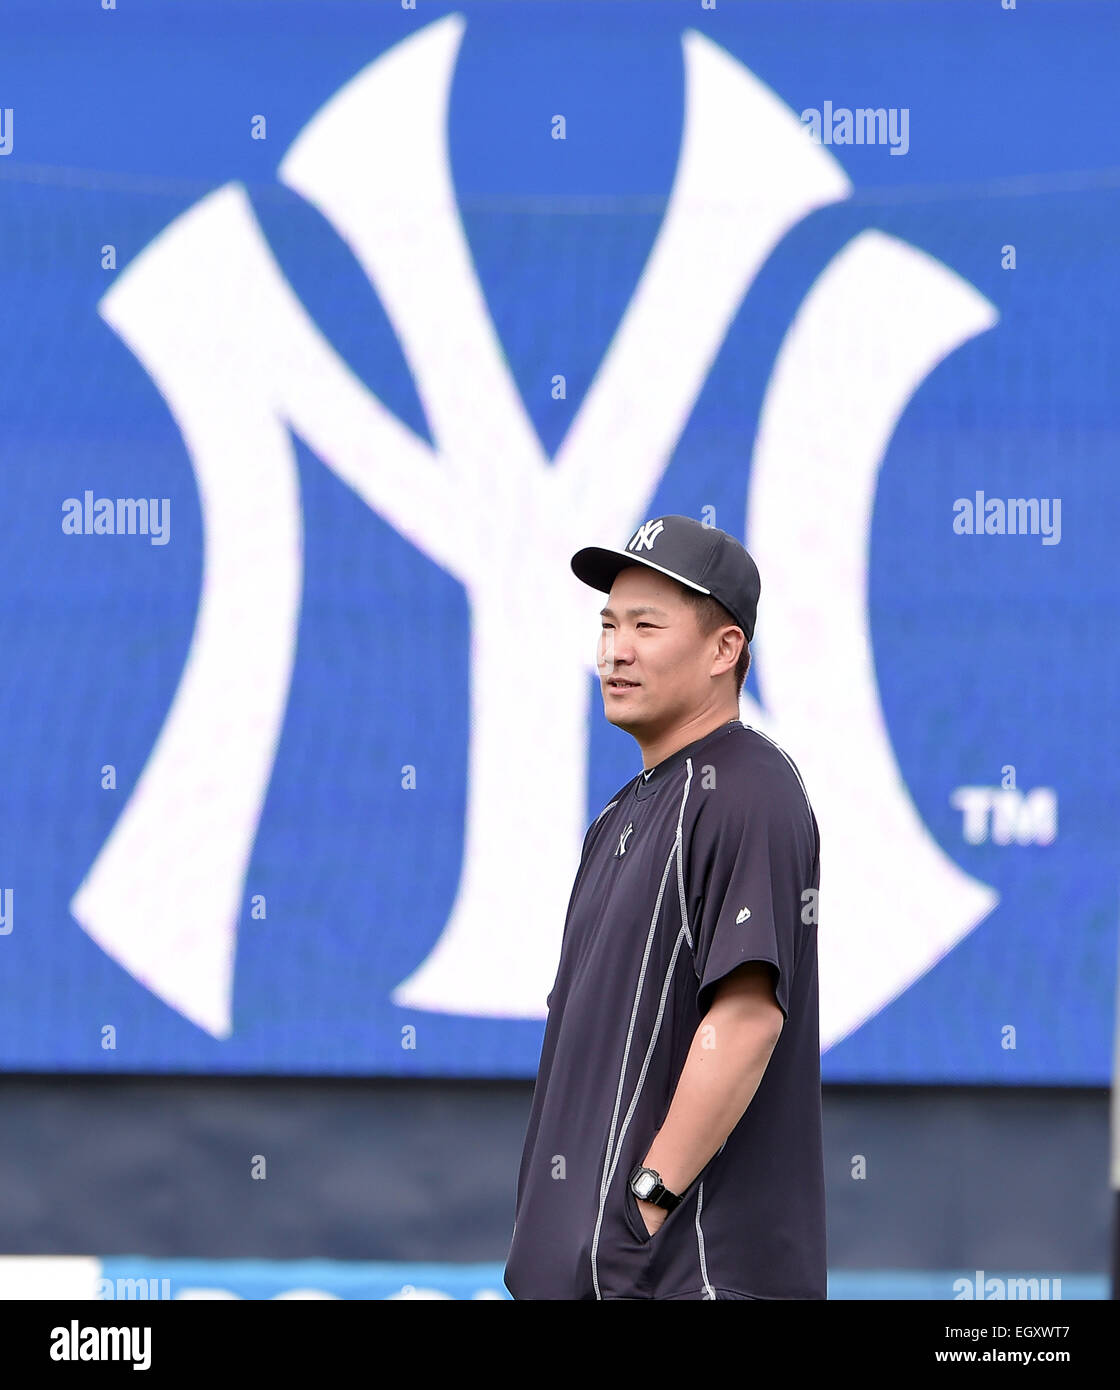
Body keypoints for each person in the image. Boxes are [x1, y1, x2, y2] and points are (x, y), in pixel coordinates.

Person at [502, 514, 826, 1300]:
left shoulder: (750, 789)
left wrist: (644, 1205)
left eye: (647, 625)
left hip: (687, 1279)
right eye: (608, 624)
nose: (616, 650)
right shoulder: (620, 815)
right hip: (601, 1279)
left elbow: (746, 1019)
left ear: (725, 650)